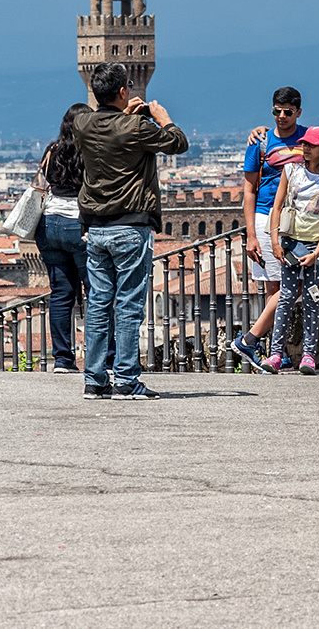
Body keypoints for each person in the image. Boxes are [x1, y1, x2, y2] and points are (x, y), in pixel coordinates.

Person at [72, 62, 189, 400]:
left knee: (97, 304)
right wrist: (161, 117)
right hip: (130, 227)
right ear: (124, 90)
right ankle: (125, 379)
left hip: (95, 229)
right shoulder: (136, 128)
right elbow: (177, 143)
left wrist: (127, 114)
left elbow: (106, 125)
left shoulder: (82, 124)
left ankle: (94, 379)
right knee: (128, 305)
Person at [231, 87, 306, 373]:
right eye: (277, 111)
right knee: (278, 289)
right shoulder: (260, 142)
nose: (282, 116)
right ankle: (271, 349)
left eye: (288, 111)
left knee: (287, 287)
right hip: (266, 220)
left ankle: (260, 343)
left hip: (296, 221)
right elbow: (249, 190)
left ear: (298, 112)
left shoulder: (307, 138)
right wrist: (251, 234)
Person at [265, 127, 319, 374]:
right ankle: (276, 353)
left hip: (314, 246)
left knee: (311, 297)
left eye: (311, 144)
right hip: (290, 243)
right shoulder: (291, 171)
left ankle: (308, 354)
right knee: (286, 297)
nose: (305, 148)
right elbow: (276, 207)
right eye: (304, 144)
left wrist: (317, 253)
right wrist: (275, 242)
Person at [33, 103, 92, 374]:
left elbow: (42, 184)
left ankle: (63, 360)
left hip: (48, 226)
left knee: (60, 295)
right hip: (77, 225)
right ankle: (103, 354)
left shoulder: (51, 151)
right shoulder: (89, 151)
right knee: (96, 293)